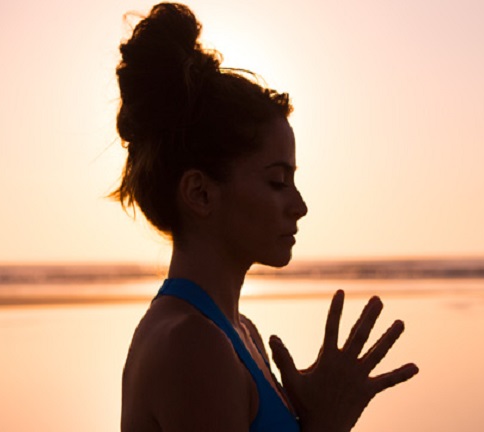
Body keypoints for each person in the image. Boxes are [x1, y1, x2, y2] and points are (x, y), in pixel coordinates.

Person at [114, 3, 419, 431]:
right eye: (277, 182)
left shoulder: (239, 333)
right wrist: (327, 424)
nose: (299, 206)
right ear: (200, 193)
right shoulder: (192, 345)